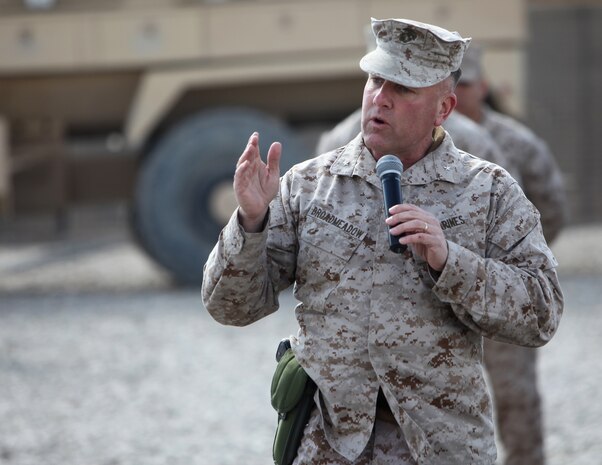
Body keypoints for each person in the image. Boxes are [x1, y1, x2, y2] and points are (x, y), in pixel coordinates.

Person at [202, 18, 563, 465]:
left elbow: (542, 312)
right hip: (326, 444)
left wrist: (452, 262)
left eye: (404, 89)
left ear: (443, 108)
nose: (380, 99)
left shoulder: (487, 191)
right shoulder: (309, 185)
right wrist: (251, 222)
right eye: (376, 79)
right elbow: (230, 307)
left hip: (437, 446)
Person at [454, 45, 568, 465]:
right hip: (443, 292)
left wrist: (520, 263)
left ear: (482, 86)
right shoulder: (423, 143)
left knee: (515, 397)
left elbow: (551, 206)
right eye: (450, 84)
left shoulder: (515, 143)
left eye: (464, 84)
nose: (458, 93)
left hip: (503, 294)